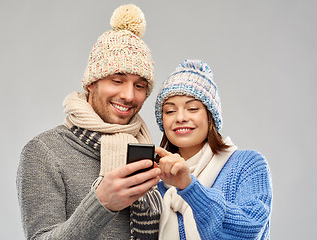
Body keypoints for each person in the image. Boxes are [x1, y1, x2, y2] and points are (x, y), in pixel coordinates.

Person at [16, 4, 162, 240]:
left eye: (139, 86)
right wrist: (101, 203)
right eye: (117, 80)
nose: (128, 95)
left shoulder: (147, 152)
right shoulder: (44, 152)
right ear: (91, 83)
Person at [154, 59, 273, 239]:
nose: (180, 117)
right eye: (170, 111)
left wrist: (189, 187)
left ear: (211, 117)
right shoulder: (156, 178)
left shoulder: (247, 164)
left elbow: (250, 229)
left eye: (192, 108)